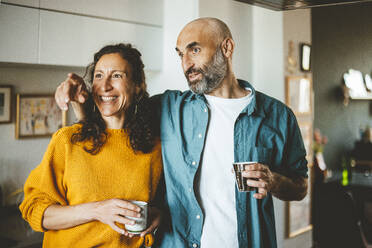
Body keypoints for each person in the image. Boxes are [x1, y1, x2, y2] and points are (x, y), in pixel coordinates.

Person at [55, 18, 308, 248]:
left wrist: (273, 181)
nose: (186, 63)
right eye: (180, 54)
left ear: (227, 48)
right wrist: (79, 100)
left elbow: (300, 186)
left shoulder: (278, 116)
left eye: (194, 50)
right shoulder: (168, 108)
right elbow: (112, 118)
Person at [20, 43, 163, 248]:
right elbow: (34, 210)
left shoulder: (154, 147)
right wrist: (96, 210)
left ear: (138, 85)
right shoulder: (68, 140)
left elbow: (163, 205)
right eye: (98, 76)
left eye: (116, 76)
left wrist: (159, 215)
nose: (105, 86)